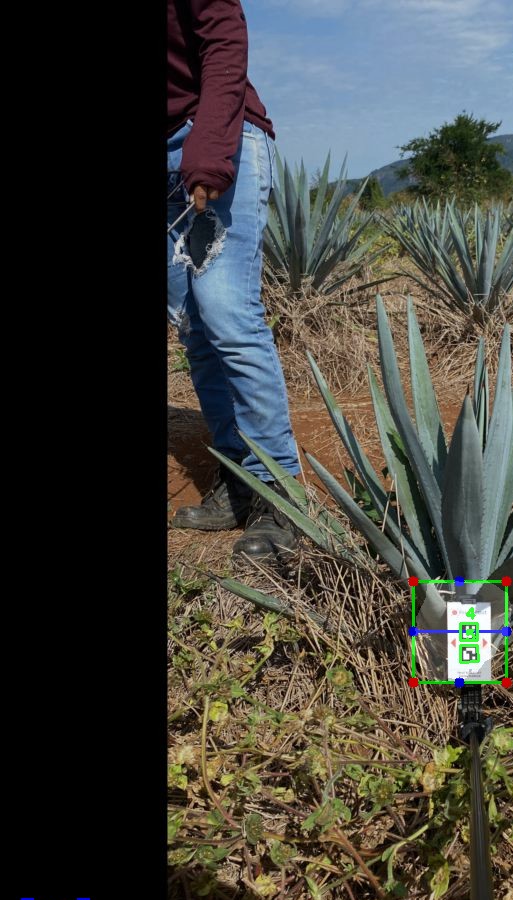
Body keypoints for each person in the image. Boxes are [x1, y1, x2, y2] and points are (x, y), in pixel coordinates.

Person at [167, 0, 299, 559]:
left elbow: (224, 40)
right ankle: (238, 479)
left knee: (227, 315)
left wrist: (208, 155)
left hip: (215, 135)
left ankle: (279, 493)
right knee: (194, 329)